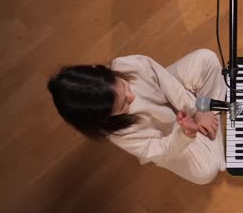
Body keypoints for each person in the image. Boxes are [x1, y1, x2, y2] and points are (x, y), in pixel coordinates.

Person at [47, 49, 227, 185]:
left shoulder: (126, 65)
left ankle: (209, 125)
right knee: (205, 173)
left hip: (174, 98)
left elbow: (166, 81)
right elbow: (161, 151)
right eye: (124, 105)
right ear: (104, 118)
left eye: (125, 86)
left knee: (206, 58)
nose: (132, 98)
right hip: (171, 135)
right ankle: (212, 118)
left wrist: (196, 110)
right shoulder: (119, 134)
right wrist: (185, 134)